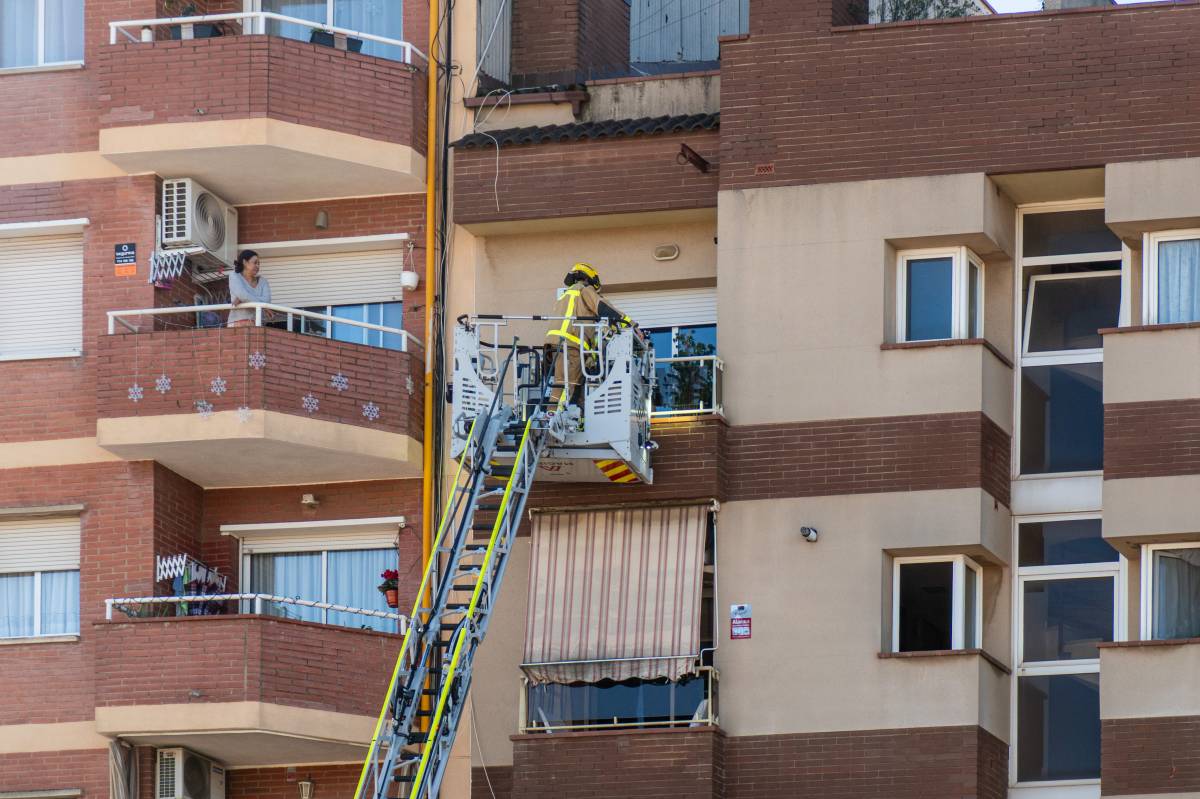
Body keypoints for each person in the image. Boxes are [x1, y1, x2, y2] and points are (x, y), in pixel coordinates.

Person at [544, 263, 634, 408]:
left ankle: (566, 417)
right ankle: (553, 420)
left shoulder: (566, 296)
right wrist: (630, 325)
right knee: (567, 386)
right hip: (571, 345)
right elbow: (602, 307)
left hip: (556, 345)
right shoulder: (584, 290)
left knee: (564, 383)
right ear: (589, 278)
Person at [227, 250, 270, 328]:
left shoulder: (263, 281)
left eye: (259, 263)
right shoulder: (234, 276)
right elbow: (242, 295)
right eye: (255, 262)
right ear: (245, 262)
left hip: (258, 325)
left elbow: (267, 301)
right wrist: (243, 297)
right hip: (236, 325)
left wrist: (243, 299)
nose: (258, 266)